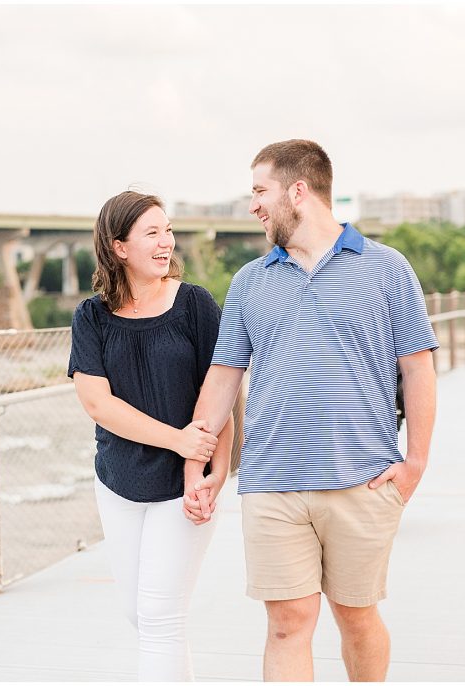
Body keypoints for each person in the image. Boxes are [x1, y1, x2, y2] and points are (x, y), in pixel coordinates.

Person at [186, 139, 438, 681]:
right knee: (286, 623)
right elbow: (224, 377)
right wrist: (201, 467)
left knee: (356, 616)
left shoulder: (387, 268)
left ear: (298, 190)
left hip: (363, 480)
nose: (252, 205)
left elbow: (418, 369)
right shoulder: (250, 281)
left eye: (260, 190)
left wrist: (415, 463)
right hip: (272, 483)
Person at [68, 190, 232, 681]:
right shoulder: (91, 317)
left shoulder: (195, 304)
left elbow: (223, 392)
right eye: (152, 233)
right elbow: (98, 404)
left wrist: (214, 473)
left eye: (168, 231)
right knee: (139, 614)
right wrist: (176, 438)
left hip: (183, 484)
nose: (167, 243)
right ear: (119, 247)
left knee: (161, 618)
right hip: (118, 481)